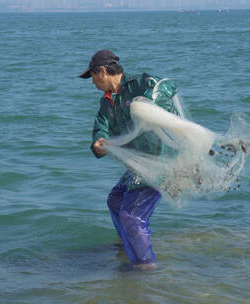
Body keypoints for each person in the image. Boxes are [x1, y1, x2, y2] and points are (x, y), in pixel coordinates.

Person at [79, 50, 180, 270]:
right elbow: (100, 129)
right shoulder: (106, 102)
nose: (93, 82)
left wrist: (151, 101)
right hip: (138, 165)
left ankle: (145, 267)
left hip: (160, 161)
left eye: (93, 77)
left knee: (132, 217)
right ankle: (128, 247)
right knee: (115, 200)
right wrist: (98, 143)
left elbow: (169, 85)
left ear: (103, 71)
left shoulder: (138, 83)